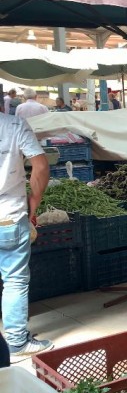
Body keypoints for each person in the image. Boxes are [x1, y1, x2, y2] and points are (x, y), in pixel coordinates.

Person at [0, 112, 52, 358]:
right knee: (14, 280)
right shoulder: (13, 124)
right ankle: (17, 342)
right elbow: (40, 165)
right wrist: (35, 200)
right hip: (9, 216)